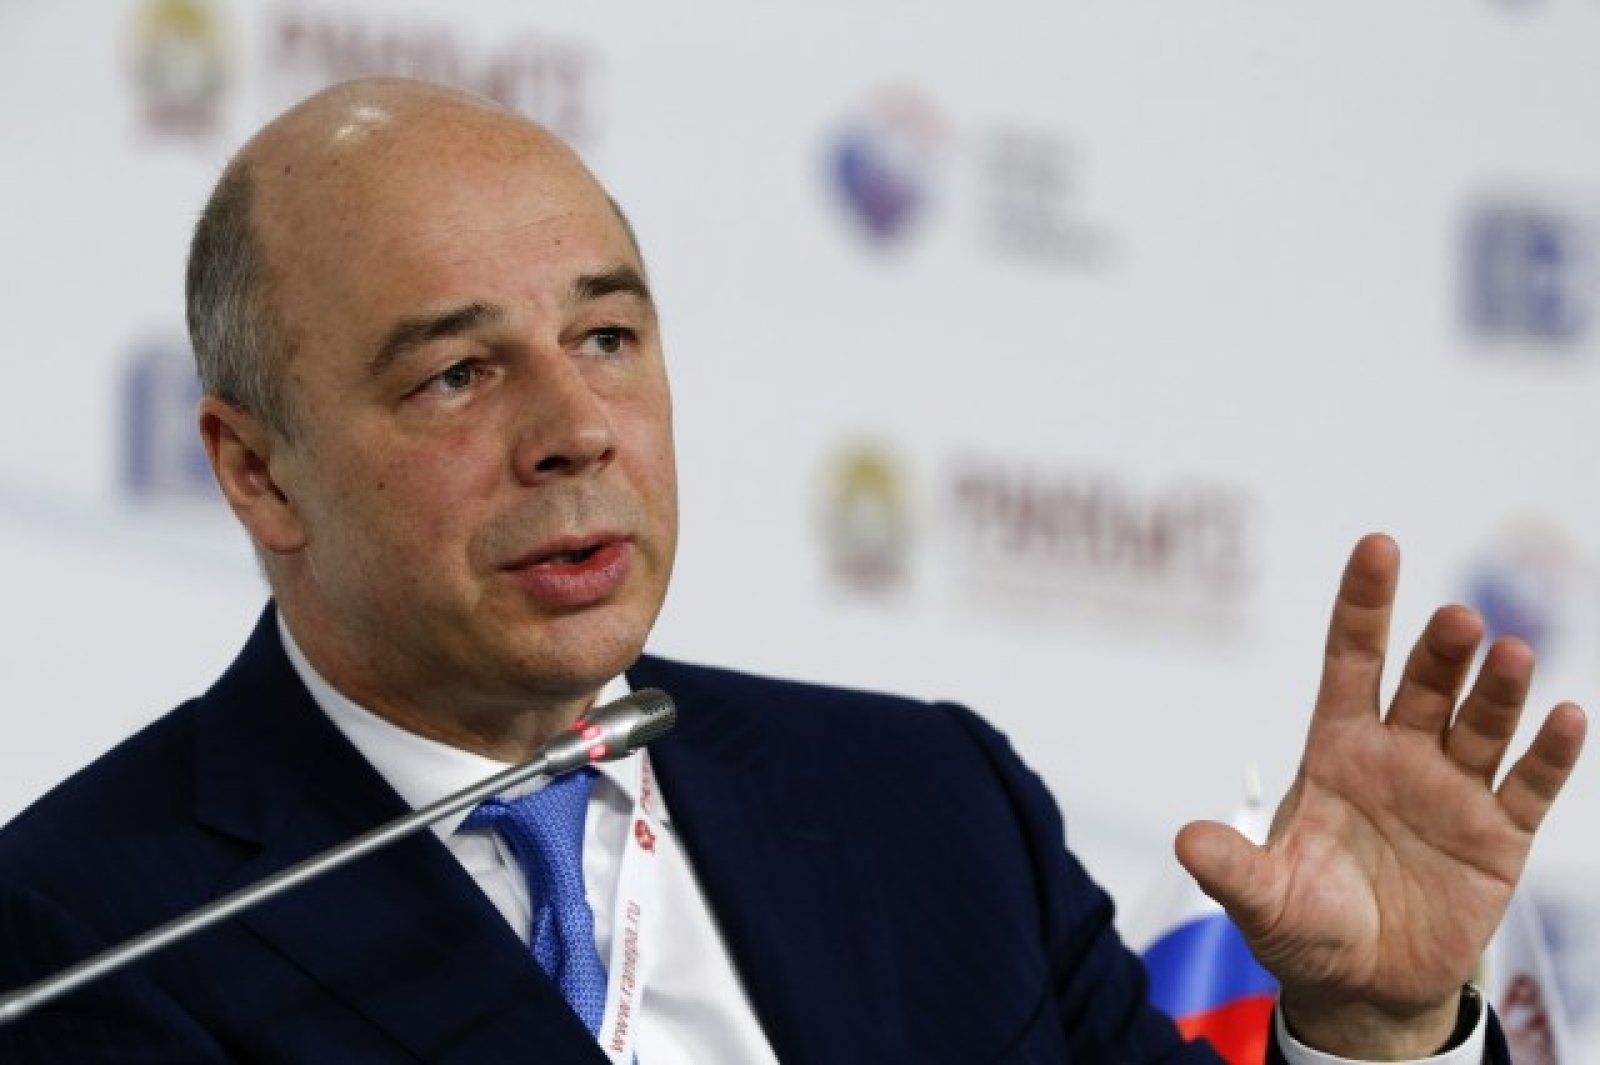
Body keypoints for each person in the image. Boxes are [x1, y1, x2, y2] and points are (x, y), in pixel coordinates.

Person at [0, 77, 1584, 1064]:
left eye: (606, 338)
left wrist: (1376, 1031)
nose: (574, 430)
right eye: (458, 375)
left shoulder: (930, 805)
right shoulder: (81, 929)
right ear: (257, 468)